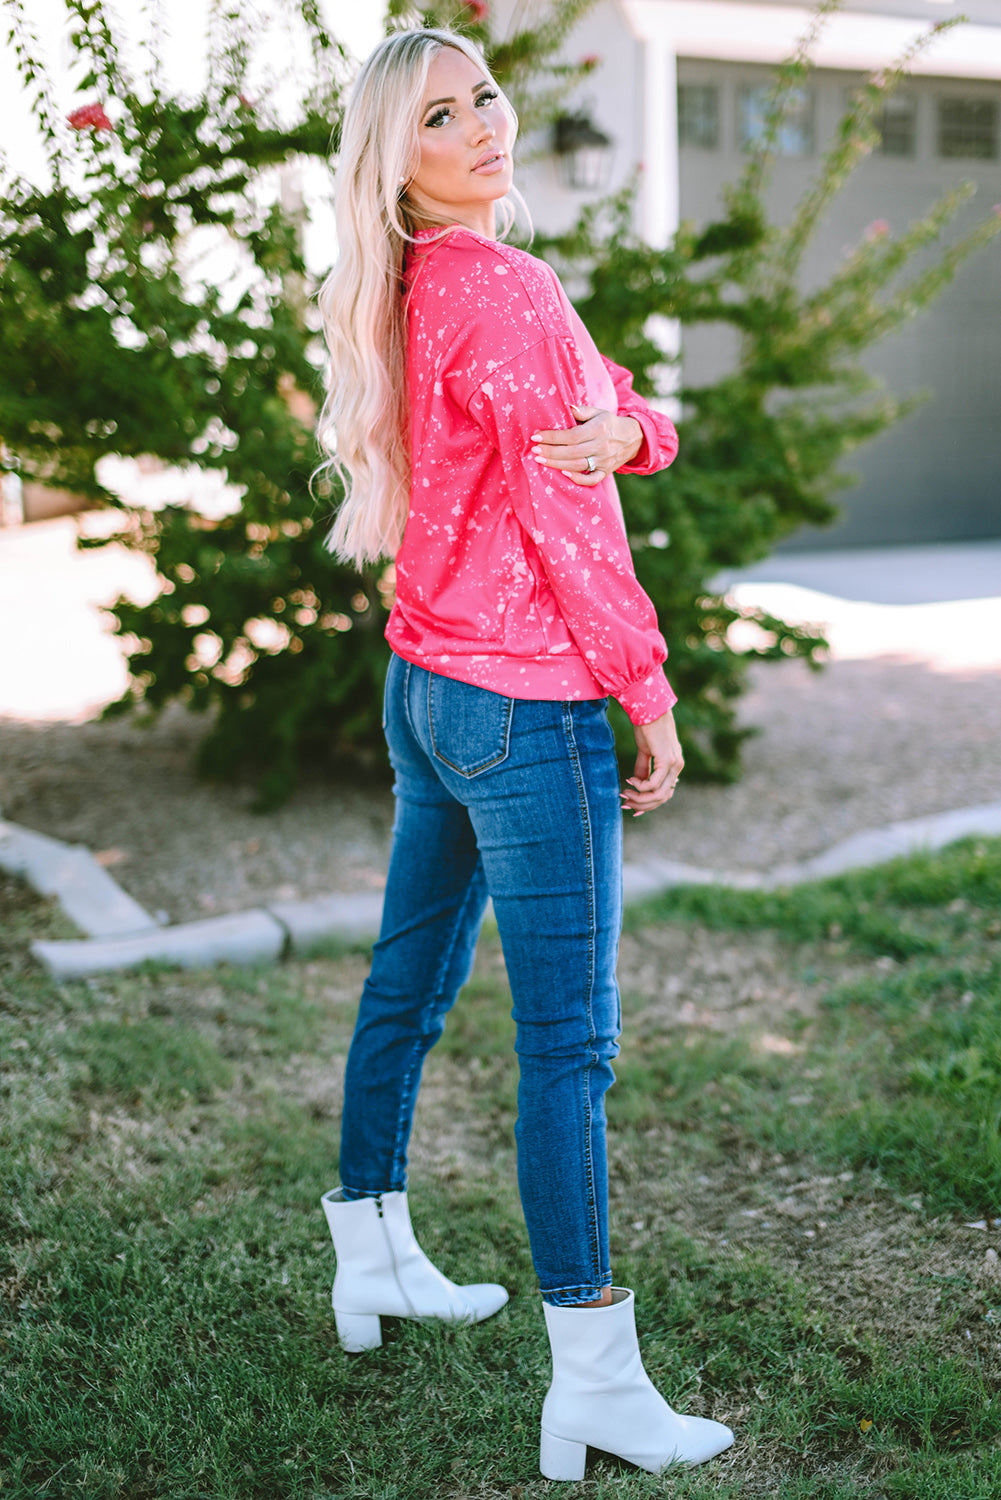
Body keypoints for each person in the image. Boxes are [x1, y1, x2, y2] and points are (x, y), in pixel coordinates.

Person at [314, 25, 734, 1482]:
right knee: (567, 1046)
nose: (484, 125)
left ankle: (369, 1255)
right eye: (441, 117)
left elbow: (612, 421)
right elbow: (576, 517)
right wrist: (650, 689)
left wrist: (635, 429)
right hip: (519, 704)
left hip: (425, 683)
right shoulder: (505, 291)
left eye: (484, 96)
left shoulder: (430, 284)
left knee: (406, 982)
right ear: (401, 160)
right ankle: (596, 1381)